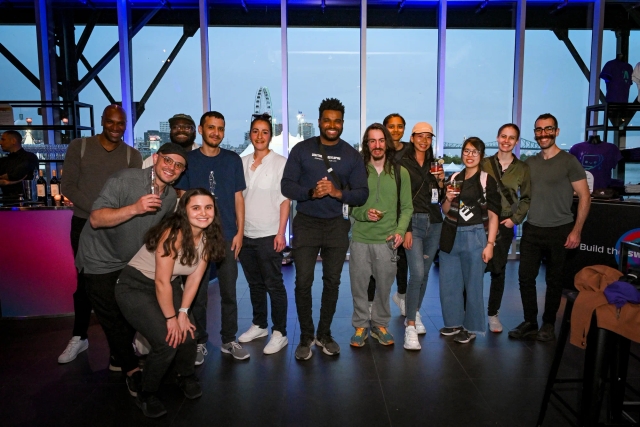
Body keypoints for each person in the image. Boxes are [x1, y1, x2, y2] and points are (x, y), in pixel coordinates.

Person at [75, 142, 187, 397]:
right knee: (113, 318)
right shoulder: (124, 180)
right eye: (168, 160)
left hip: (129, 261)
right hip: (98, 260)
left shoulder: (169, 197)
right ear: (156, 158)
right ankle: (131, 371)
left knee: (128, 316)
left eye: (178, 165)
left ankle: (120, 356)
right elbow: (95, 218)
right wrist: (135, 208)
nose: (172, 167)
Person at [115, 188, 225, 418]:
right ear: (184, 211)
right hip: (135, 286)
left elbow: (195, 277)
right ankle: (146, 393)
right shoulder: (172, 234)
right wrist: (171, 318)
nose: (203, 213)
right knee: (168, 340)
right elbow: (161, 282)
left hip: (169, 285)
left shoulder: (208, 236)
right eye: (196, 208)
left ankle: (185, 376)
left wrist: (184, 312)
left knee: (188, 333)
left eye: (208, 207)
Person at [281, 98, 368, 360]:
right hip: (306, 222)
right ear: (319, 121)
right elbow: (286, 186)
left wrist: (337, 192)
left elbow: (361, 194)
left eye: (337, 121)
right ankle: (307, 336)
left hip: (336, 226)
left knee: (332, 281)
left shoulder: (352, 155)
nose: (332, 125)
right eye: (327, 120)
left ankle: (325, 333)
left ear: (342, 123)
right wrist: (310, 193)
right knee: (303, 282)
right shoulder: (301, 150)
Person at [58, 105, 143, 366]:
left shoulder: (132, 156)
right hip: (85, 225)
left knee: (121, 285)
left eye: (121, 124)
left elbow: (133, 193)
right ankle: (79, 336)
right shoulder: (79, 146)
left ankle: (122, 345)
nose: (116, 128)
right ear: (102, 121)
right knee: (85, 284)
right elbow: (67, 185)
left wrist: (114, 215)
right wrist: (99, 211)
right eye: (111, 122)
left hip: (119, 229)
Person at [509, 113, 591, 342]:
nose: (543, 134)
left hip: (560, 230)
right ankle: (530, 322)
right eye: (538, 130)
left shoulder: (569, 161)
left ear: (557, 131)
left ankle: (548, 324)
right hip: (533, 229)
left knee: (554, 281)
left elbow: (585, 196)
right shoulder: (529, 164)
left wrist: (576, 230)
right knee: (525, 278)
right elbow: (516, 194)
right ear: (534, 133)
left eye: (548, 129)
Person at [175, 111, 249, 360]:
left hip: (228, 234)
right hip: (197, 238)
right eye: (211, 128)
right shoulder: (189, 160)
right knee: (198, 294)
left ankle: (229, 339)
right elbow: (181, 198)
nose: (216, 132)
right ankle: (199, 341)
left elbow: (239, 197)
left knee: (229, 292)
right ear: (201, 129)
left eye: (220, 128)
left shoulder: (232, 160)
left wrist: (240, 232)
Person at [142, 113, 209, 365]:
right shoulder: (151, 162)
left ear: (195, 130)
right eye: (177, 126)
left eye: (187, 127)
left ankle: (195, 339)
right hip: (163, 238)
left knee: (194, 291)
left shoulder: (199, 157)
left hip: (192, 236)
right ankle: (156, 337)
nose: (182, 130)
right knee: (159, 285)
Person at [349, 123, 412, 347]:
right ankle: (360, 326)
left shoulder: (400, 173)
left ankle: (380, 324)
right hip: (360, 240)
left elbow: (407, 208)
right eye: (372, 141)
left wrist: (399, 232)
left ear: (387, 143)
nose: (377, 145)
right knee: (358, 287)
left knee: (384, 287)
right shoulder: (357, 171)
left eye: (381, 140)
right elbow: (350, 205)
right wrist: (364, 213)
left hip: (387, 241)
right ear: (367, 144)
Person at [237, 114, 290, 355]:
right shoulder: (241, 161)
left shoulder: (280, 162)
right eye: (256, 131)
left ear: (271, 135)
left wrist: (281, 233)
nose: (260, 136)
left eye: (265, 131)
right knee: (254, 283)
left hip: (269, 234)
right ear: (250, 134)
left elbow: (285, 201)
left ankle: (280, 332)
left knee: (274, 284)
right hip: (245, 234)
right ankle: (259, 325)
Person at [439, 137, 500, 344]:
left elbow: (493, 215)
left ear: (481, 155)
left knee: (473, 285)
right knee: (449, 283)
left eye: (474, 152)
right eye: (466, 151)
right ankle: (454, 322)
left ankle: (472, 327)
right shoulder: (454, 176)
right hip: (451, 234)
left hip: (475, 235)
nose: (469, 155)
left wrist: (490, 244)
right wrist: (446, 198)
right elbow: (446, 211)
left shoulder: (486, 180)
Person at [480, 124, 530, 333]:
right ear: (497, 137)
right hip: (481, 221)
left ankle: (493, 314)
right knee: (474, 270)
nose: (506, 141)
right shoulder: (484, 163)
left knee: (498, 271)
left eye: (511, 138)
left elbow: (526, 197)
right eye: (503, 136)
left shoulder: (523, 168)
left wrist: (515, 220)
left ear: (517, 141)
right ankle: (468, 313)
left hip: (504, 224)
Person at [399, 122, 445, 350]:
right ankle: (409, 326)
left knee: (425, 272)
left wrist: (442, 182)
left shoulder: (435, 163)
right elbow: (399, 198)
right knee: (416, 272)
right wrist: (405, 228)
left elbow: (442, 196)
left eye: (429, 136)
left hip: (435, 222)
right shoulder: (402, 162)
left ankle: (415, 312)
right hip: (413, 223)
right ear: (412, 137)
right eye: (420, 135)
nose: (424, 140)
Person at [367, 113, 411, 315]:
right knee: (373, 266)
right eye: (391, 127)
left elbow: (408, 197)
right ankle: (370, 303)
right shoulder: (374, 155)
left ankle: (401, 296)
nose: (395, 130)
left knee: (401, 262)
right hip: (377, 222)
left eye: (399, 126)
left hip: (402, 218)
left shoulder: (409, 153)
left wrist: (406, 227)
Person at [0, 130, 38, 198]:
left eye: (3, 139)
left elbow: (16, 174)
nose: (0, 143)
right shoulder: (4, 160)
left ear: (13, 141)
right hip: (6, 201)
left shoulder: (29, 157)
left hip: (26, 199)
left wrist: (7, 181)